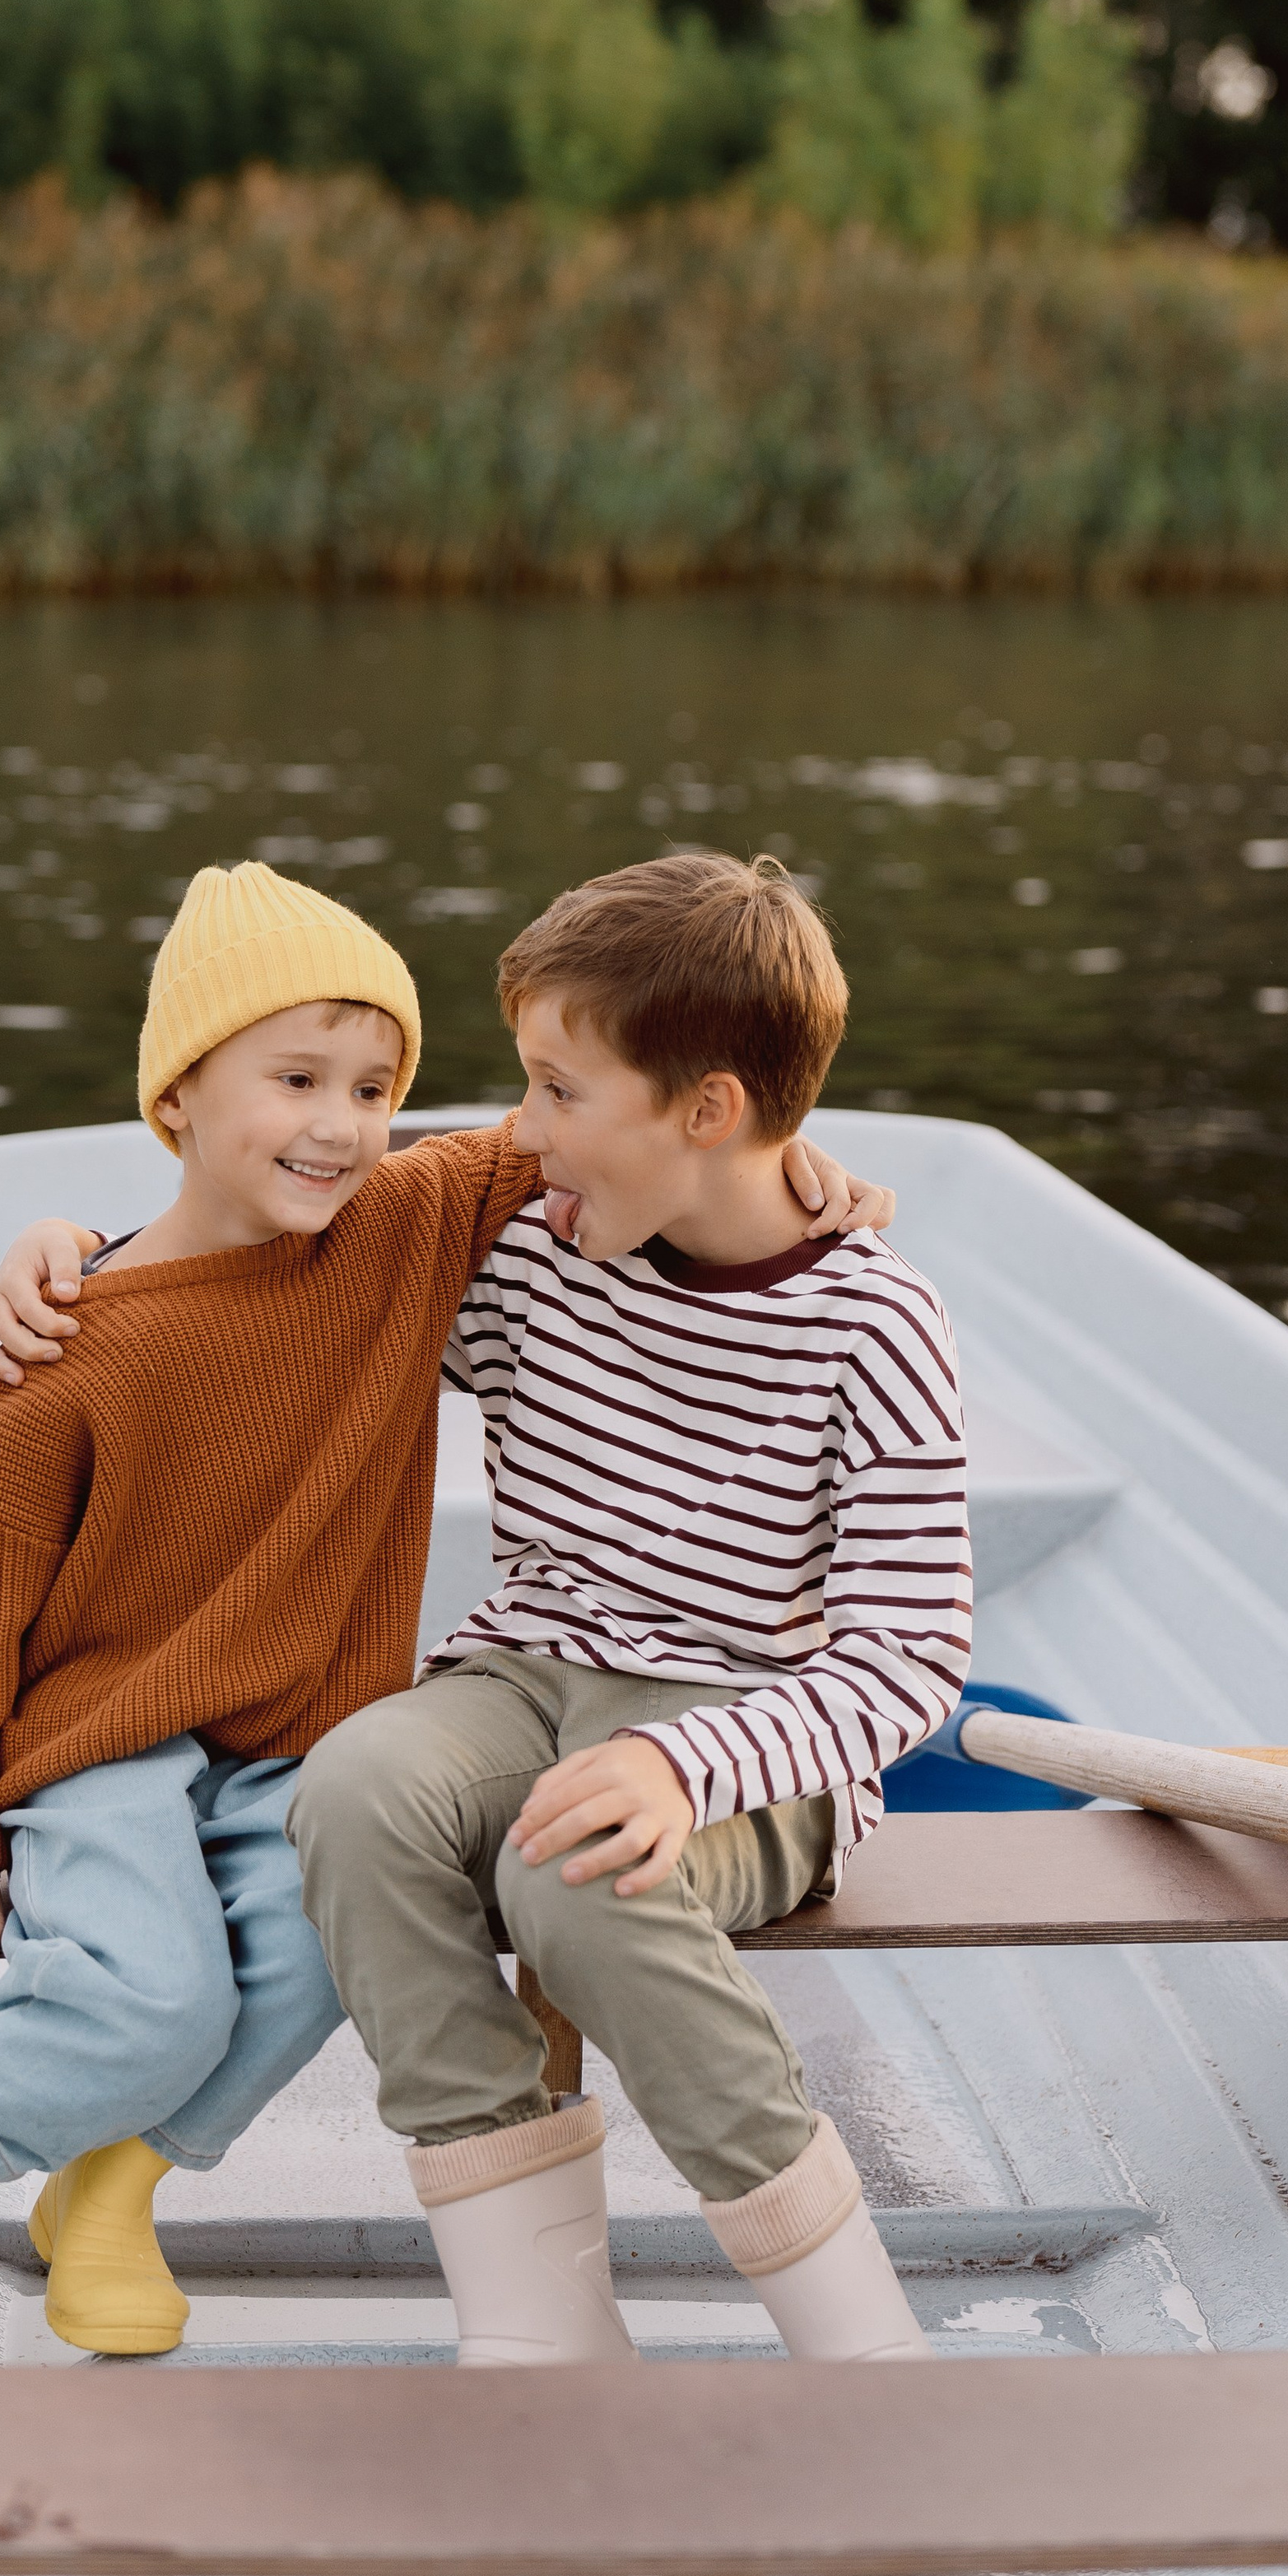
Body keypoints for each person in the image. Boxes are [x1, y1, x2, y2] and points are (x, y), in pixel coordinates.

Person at [0, 858, 886, 2355]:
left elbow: (640, 1130)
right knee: (156, 2004)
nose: (344, 1124)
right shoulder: (69, 1346)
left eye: (375, 1086)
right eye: (296, 1076)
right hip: (98, 1734)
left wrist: (811, 1171)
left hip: (295, 1732)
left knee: (326, 1937)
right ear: (175, 1097)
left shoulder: (412, 1219)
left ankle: (112, 2186)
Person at [286, 852, 970, 2369]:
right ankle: (538, 2316)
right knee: (355, 1787)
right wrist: (76, 1256)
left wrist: (684, 1766)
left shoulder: (876, 1320)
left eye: (555, 1088)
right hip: (527, 1672)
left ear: (709, 1111)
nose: (519, 1131)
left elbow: (913, 1654)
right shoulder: (530, 1247)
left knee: (573, 1872)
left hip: (745, 1734)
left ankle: (866, 2348)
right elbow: (278, 1276)